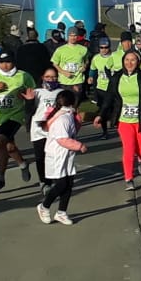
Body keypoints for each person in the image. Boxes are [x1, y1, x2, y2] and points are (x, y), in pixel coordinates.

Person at [96, 50, 141, 191]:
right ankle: (129, 178)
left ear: (138, 62)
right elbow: (108, 98)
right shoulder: (116, 78)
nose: (129, 63)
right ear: (123, 61)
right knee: (129, 149)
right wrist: (101, 115)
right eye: (127, 60)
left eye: (133, 60)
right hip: (124, 120)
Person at [36, 89, 87, 225]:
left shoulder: (68, 114)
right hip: (57, 155)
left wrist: (78, 120)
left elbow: (72, 131)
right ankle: (44, 206)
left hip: (66, 154)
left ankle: (61, 212)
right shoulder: (62, 118)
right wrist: (79, 146)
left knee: (69, 183)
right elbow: (62, 139)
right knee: (61, 184)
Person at [0, 51, 36, 189]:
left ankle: (0, 177)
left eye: (8, 62)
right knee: (9, 147)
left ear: (13, 62)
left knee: (1, 142)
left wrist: (25, 96)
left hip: (16, 115)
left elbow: (33, 92)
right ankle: (23, 164)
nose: (5, 65)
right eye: (1, 62)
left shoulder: (23, 76)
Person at [26, 67, 63, 194]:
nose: (51, 79)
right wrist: (30, 101)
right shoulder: (37, 92)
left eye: (53, 77)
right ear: (42, 78)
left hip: (55, 129)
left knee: (54, 156)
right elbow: (29, 112)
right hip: (38, 129)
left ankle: (55, 179)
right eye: (48, 77)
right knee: (40, 156)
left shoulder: (61, 92)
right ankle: (44, 182)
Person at [88, 37, 117, 138]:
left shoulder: (115, 56)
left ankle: (116, 125)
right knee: (102, 110)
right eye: (101, 47)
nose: (104, 49)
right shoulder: (96, 58)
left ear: (110, 47)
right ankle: (105, 132)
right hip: (101, 88)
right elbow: (92, 69)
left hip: (113, 88)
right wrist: (91, 77)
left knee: (114, 108)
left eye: (106, 47)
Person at [51, 31, 89, 102]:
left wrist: (85, 66)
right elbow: (55, 63)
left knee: (75, 103)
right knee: (64, 103)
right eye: (71, 36)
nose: (73, 38)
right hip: (64, 81)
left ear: (77, 36)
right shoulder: (60, 49)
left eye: (74, 36)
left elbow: (86, 61)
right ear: (67, 36)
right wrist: (63, 72)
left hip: (77, 80)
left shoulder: (83, 49)